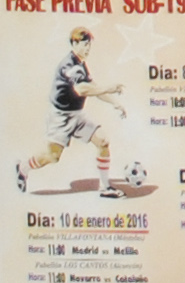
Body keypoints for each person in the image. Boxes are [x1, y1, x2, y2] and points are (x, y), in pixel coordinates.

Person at [16, 26, 123, 195]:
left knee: (103, 141)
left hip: (77, 115)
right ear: (74, 44)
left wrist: (114, 102)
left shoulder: (81, 64)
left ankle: (105, 187)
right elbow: (81, 89)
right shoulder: (69, 65)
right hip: (61, 117)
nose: (88, 48)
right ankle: (23, 168)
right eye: (84, 44)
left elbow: (92, 87)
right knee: (52, 157)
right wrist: (108, 88)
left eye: (89, 45)